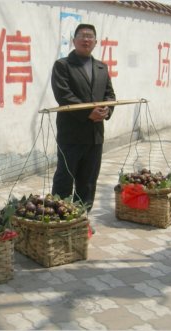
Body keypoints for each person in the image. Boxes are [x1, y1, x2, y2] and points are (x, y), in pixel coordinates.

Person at [50, 23, 116, 213]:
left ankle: (82, 219)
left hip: (95, 135)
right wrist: (88, 113)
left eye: (90, 36)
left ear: (96, 42)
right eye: (82, 35)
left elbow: (110, 96)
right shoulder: (62, 66)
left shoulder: (102, 67)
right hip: (71, 134)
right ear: (74, 40)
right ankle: (59, 221)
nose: (86, 39)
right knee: (65, 178)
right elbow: (64, 95)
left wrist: (106, 110)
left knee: (88, 181)